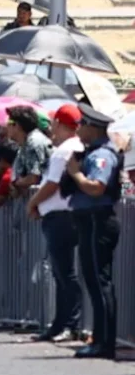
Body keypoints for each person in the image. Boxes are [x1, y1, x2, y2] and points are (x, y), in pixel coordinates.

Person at [64, 106, 122, 359]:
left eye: (82, 124)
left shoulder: (102, 155)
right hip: (89, 221)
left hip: (98, 220)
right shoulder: (92, 152)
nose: (78, 129)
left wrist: (75, 174)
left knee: (100, 282)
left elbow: (97, 187)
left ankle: (104, 342)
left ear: (93, 128)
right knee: (94, 281)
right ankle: (99, 339)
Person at [27, 103, 84, 344]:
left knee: (64, 274)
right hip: (70, 214)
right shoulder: (77, 146)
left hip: (60, 216)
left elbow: (52, 184)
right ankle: (61, 323)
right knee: (63, 274)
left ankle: (70, 324)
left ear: (59, 124)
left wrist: (33, 203)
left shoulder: (63, 151)